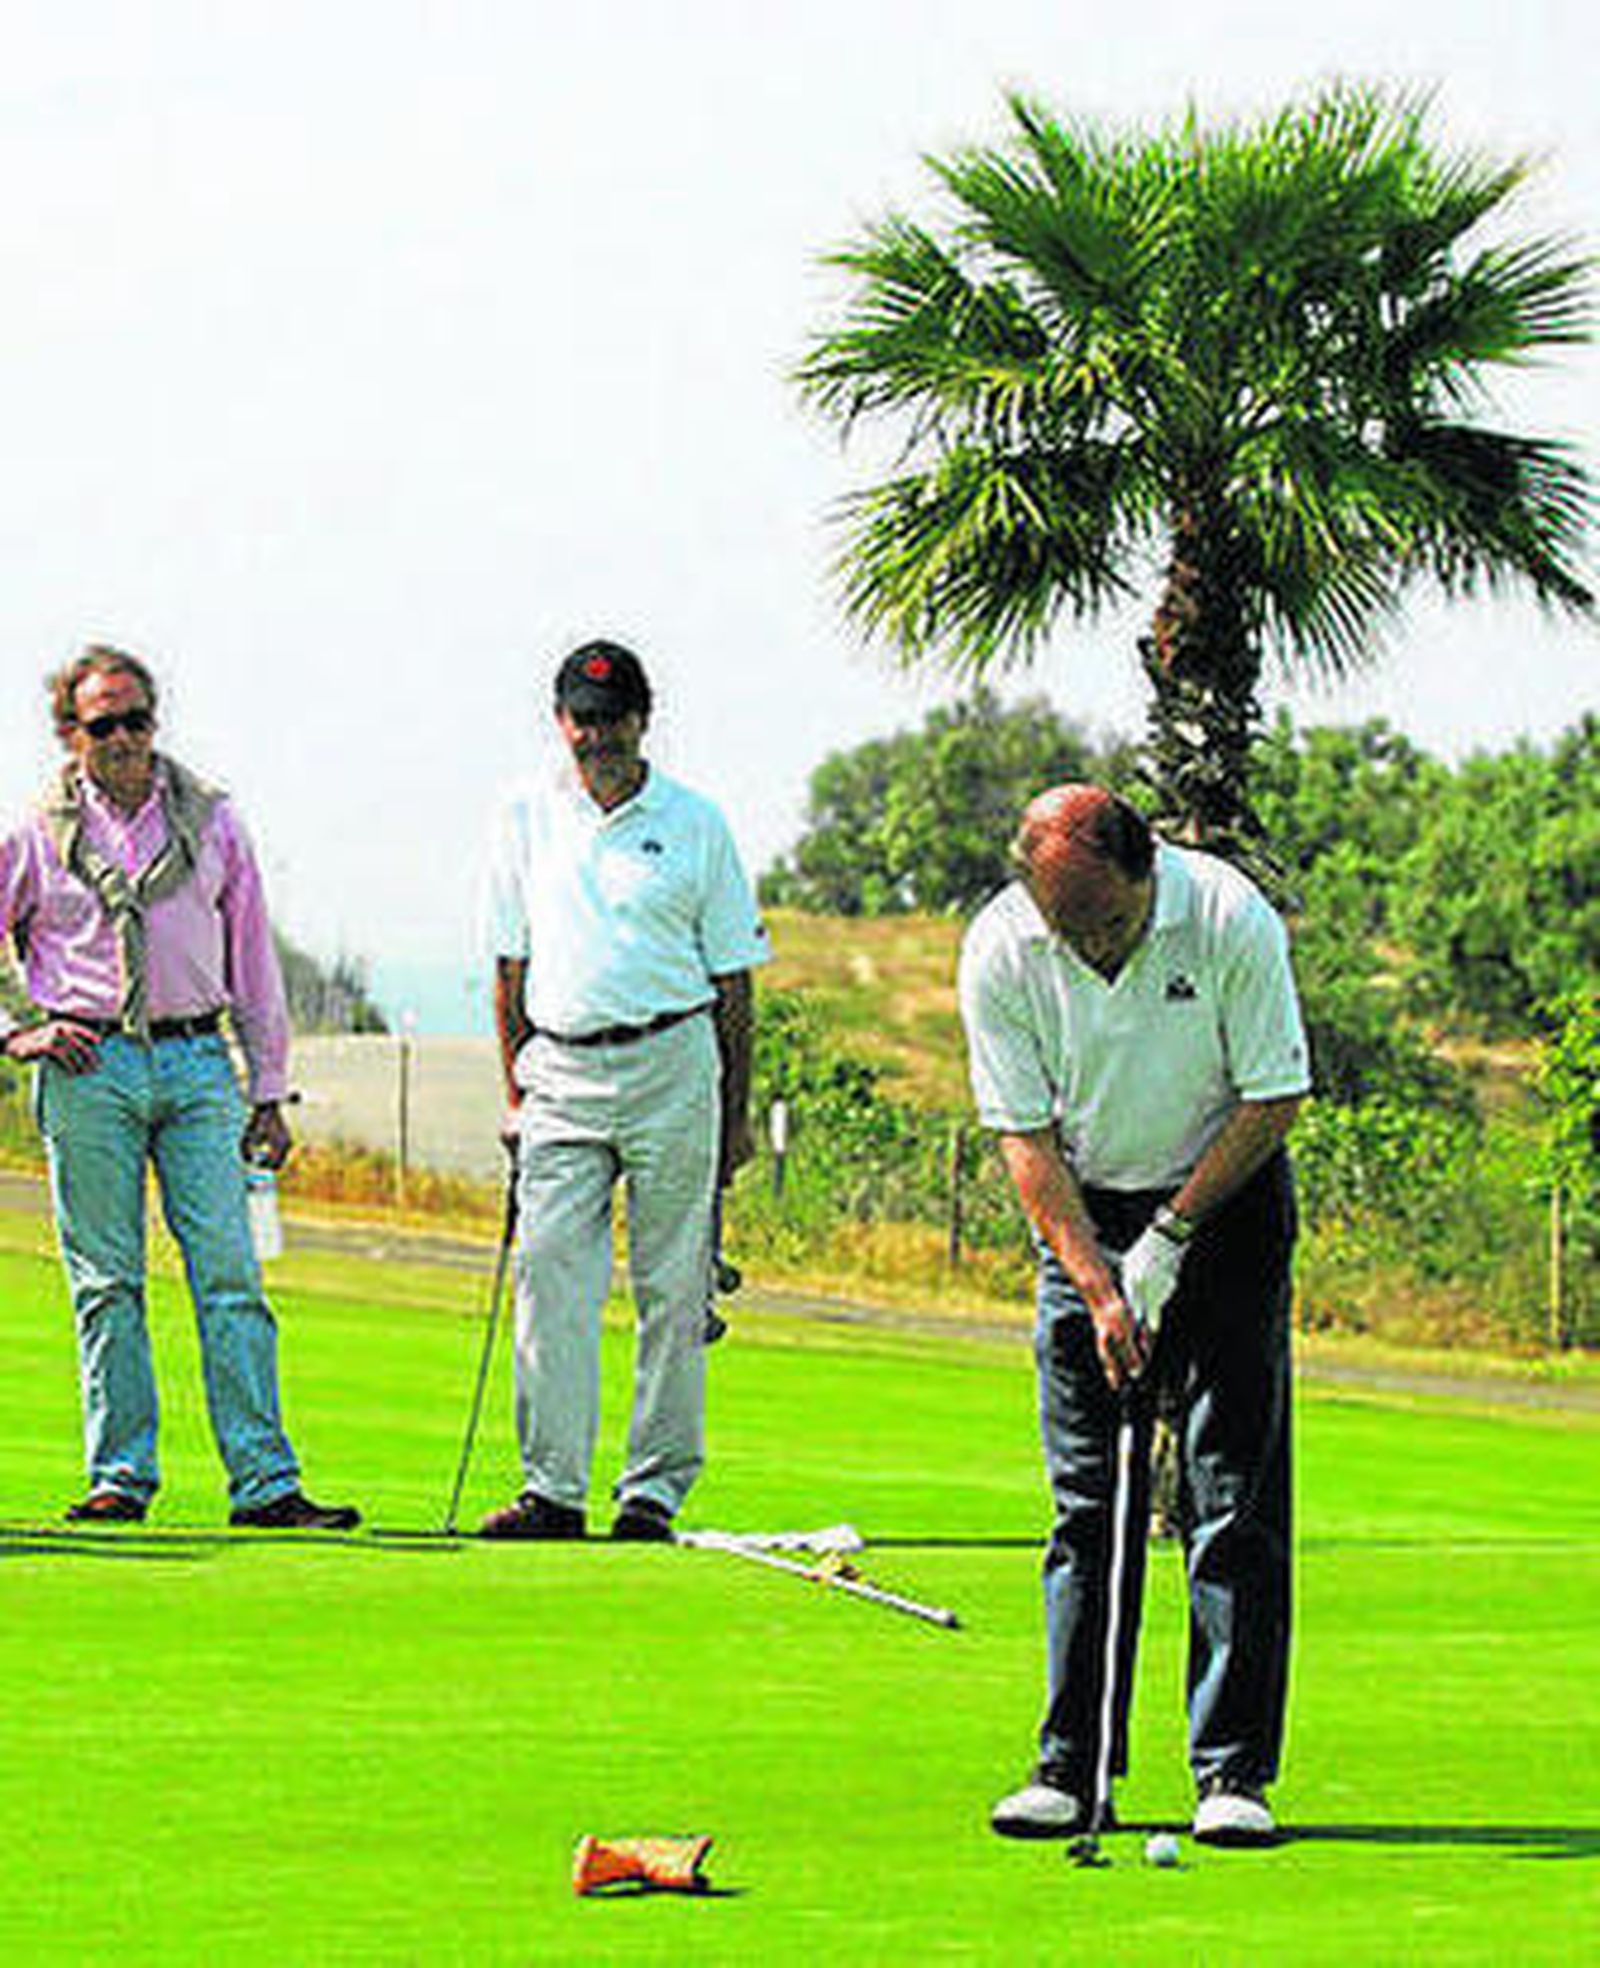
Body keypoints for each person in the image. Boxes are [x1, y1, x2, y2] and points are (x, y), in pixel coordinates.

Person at [958, 785, 1310, 1846]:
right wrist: (1099, 1282)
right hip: (1083, 1209)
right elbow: (1024, 1138)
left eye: (1107, 922)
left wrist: (1172, 1234)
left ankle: (1231, 1773)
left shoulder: (1227, 917)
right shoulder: (1002, 949)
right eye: (1068, 925)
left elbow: (1274, 1095)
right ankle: (1069, 1764)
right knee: (1086, 1502)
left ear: (1145, 872)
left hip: (1226, 1201)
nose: (1091, 946)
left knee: (1229, 1493)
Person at [0, 645, 360, 1530]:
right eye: (104, 724)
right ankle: (120, 1474)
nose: (124, 738)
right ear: (71, 733)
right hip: (88, 1062)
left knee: (231, 1276)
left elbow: (253, 960)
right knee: (106, 1281)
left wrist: (267, 1089)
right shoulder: (35, 831)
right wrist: (18, 1031)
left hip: (199, 1059)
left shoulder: (212, 819)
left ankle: (266, 1482)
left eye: (137, 720)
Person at [479, 640, 768, 1541]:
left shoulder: (696, 822)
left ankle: (653, 1491)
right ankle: (552, 1489)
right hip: (560, 1069)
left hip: (672, 1061)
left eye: (610, 720)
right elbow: (509, 968)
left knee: (674, 1289)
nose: (594, 736)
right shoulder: (525, 815)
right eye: (581, 720)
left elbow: (734, 981)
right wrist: (516, 1095)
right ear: (559, 721)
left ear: (643, 721)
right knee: (550, 1278)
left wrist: (735, 1117)